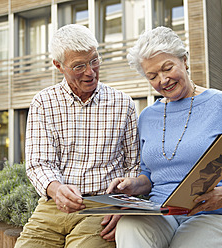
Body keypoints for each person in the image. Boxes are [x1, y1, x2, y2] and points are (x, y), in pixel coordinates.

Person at [107, 26, 222, 248]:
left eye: (167, 68)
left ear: (185, 60)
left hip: (213, 213)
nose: (163, 80)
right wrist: (132, 185)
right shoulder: (147, 116)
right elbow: (148, 175)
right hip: (161, 213)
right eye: (152, 76)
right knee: (130, 226)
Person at [15, 24, 140, 248]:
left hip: (101, 207)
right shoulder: (43, 103)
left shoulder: (124, 104)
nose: (90, 72)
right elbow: (38, 163)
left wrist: (124, 205)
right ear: (58, 66)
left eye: (94, 60)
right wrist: (56, 188)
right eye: (79, 66)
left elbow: (134, 166)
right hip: (53, 205)